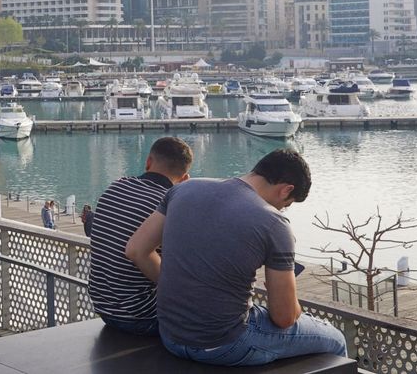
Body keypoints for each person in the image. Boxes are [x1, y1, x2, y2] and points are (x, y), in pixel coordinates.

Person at [126, 149, 347, 366]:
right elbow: (284, 317)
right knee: (336, 340)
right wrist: (297, 309)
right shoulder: (273, 222)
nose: (282, 210)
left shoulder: (184, 189)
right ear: (285, 190)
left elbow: (136, 249)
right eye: (286, 205)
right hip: (226, 344)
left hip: (171, 336)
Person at [87, 137, 193, 337]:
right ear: (185, 179)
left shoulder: (115, 187)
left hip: (103, 306)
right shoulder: (170, 205)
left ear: (148, 162)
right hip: (143, 316)